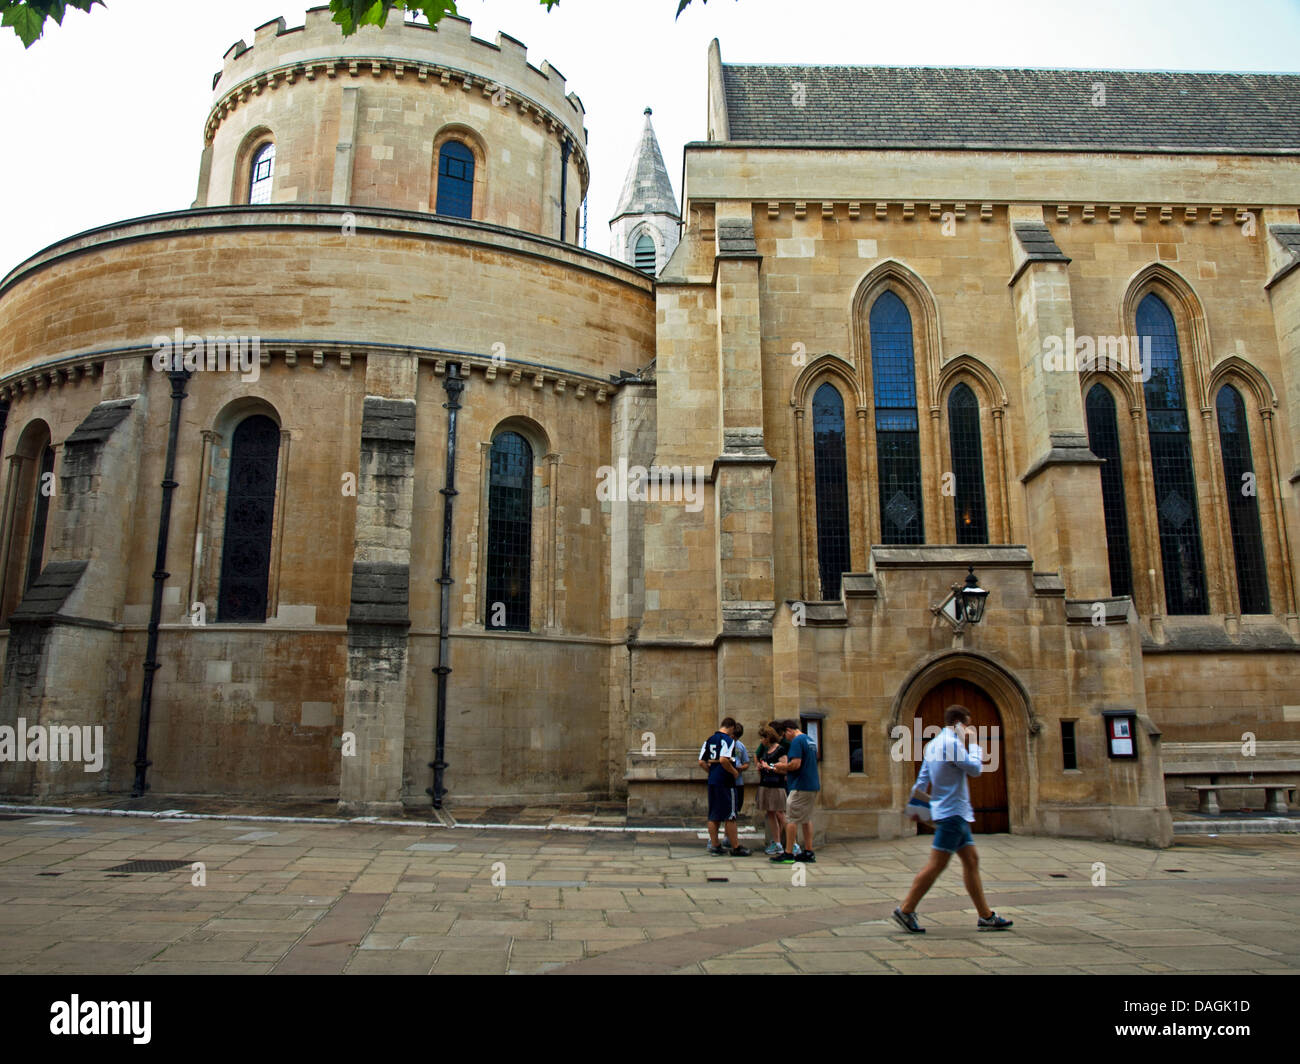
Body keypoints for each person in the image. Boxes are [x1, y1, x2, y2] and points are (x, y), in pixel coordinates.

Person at [893, 705, 1013, 933]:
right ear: (959, 724)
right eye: (967, 725)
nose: (969, 729)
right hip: (952, 813)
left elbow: (921, 779)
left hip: (951, 812)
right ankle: (906, 910)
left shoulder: (933, 744)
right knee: (936, 865)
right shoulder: (951, 744)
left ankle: (985, 915)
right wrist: (975, 743)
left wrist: (917, 809)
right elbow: (976, 769)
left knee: (971, 861)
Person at [767, 719, 819, 863]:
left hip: (800, 785)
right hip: (812, 785)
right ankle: (808, 851)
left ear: (789, 730)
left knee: (791, 819)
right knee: (806, 819)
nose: (785, 738)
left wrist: (781, 767)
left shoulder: (797, 741)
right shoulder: (810, 740)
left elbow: (795, 764)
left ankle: (788, 853)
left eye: (784, 735)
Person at [698, 717, 751, 856]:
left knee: (714, 815)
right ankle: (736, 847)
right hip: (726, 783)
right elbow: (723, 759)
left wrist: (712, 772)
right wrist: (733, 772)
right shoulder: (728, 740)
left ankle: (715, 845)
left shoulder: (708, 740)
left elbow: (701, 762)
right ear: (731, 727)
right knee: (730, 815)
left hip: (713, 781)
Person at [755, 725, 788, 855]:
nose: (761, 740)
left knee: (780, 813)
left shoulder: (780, 750)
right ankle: (777, 842)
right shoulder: (766, 750)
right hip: (766, 784)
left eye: (763, 737)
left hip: (777, 785)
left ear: (768, 737)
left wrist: (770, 767)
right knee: (771, 814)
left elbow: (784, 768)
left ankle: (793, 842)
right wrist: (761, 766)